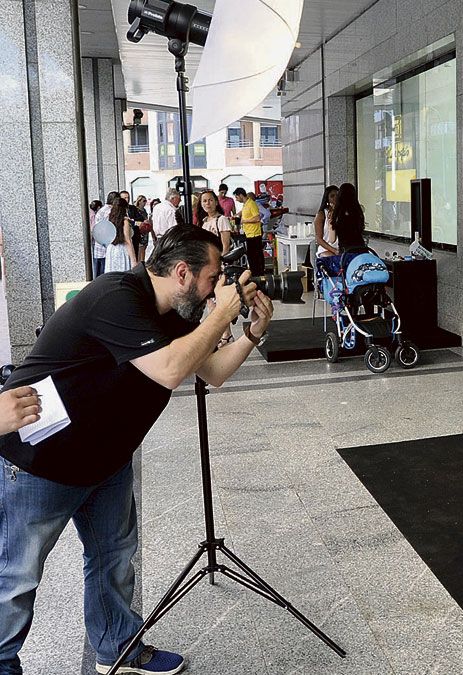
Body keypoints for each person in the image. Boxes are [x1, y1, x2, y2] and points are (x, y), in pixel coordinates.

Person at [0, 226, 273, 675]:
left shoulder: (178, 311)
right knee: (15, 577)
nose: (216, 289)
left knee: (113, 559)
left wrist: (251, 334)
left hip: (106, 459)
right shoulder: (116, 297)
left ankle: (117, 648)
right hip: (40, 461)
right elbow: (168, 370)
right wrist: (221, 316)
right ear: (182, 272)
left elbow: (213, 372)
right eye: (213, 278)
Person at [232, 187, 265, 275]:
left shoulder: (251, 204)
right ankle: (255, 271)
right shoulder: (246, 204)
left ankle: (258, 273)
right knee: (251, 255)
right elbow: (242, 212)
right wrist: (235, 216)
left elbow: (257, 218)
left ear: (241, 195)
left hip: (254, 234)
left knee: (254, 255)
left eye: (237, 197)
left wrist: (243, 221)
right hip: (248, 233)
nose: (236, 199)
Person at [103, 198, 136, 274]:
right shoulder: (125, 222)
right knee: (122, 274)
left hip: (111, 249)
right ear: (124, 209)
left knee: (112, 275)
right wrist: (134, 260)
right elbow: (128, 241)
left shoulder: (110, 219)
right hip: (122, 250)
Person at [148, 189, 181, 261]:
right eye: (179, 199)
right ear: (173, 198)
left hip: (158, 238)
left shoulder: (157, 207)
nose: (180, 201)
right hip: (168, 238)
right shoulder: (171, 210)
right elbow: (173, 227)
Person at [197, 190, 232, 255]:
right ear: (201, 204)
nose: (207, 203)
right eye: (204, 201)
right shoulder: (204, 221)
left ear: (216, 202)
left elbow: (226, 247)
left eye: (210, 200)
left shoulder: (222, 220)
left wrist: (221, 262)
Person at [313, 185, 340, 258]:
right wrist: (334, 250)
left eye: (337, 195)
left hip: (341, 249)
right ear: (327, 199)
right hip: (326, 249)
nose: (335, 198)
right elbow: (318, 239)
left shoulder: (342, 213)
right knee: (334, 261)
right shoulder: (322, 214)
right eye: (332, 196)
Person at [89, 199, 105, 278]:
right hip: (96, 242)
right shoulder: (93, 215)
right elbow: (93, 228)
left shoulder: (90, 213)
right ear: (98, 207)